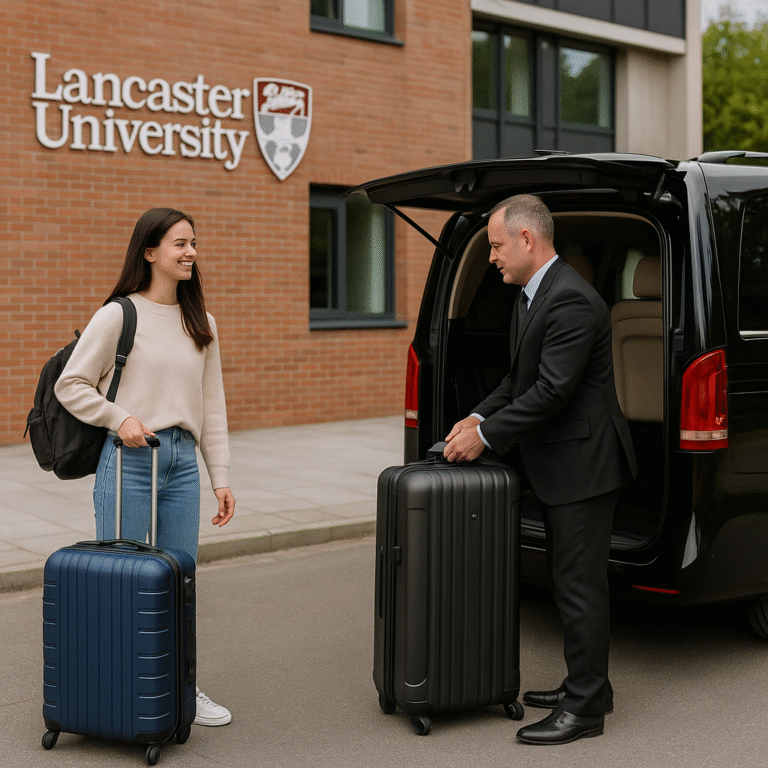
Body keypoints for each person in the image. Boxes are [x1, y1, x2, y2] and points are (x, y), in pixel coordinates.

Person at [444, 194, 637, 745]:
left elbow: (552, 392)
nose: (494, 258)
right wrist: (479, 412)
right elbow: (519, 379)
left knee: (580, 587)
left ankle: (584, 711)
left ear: (528, 239)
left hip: (585, 465)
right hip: (561, 465)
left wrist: (486, 437)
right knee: (567, 580)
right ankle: (589, 686)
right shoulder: (532, 295)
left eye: (498, 247)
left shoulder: (571, 301)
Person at [55, 207, 236, 727]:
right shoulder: (119, 314)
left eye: (194, 243)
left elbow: (213, 403)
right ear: (149, 252)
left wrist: (219, 476)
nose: (190, 252)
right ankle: (119, 691)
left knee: (179, 580)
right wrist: (120, 419)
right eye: (179, 243)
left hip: (181, 464)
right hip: (130, 460)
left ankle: (181, 687)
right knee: (126, 582)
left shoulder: (202, 322)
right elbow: (71, 384)